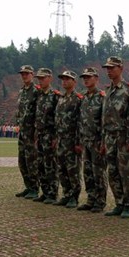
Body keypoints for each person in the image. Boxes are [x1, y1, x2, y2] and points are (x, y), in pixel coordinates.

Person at [101, 56, 129, 218]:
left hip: (123, 137)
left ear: (121, 69)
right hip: (109, 137)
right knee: (113, 171)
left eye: (112, 68)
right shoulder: (107, 90)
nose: (109, 71)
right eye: (107, 68)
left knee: (126, 172)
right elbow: (105, 117)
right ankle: (119, 202)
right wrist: (103, 140)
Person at [77, 67, 108, 213]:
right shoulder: (83, 97)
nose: (86, 79)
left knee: (98, 172)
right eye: (84, 77)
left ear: (96, 78)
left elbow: (104, 121)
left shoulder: (101, 97)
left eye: (89, 77)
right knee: (88, 172)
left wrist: (103, 142)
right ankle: (91, 199)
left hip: (97, 141)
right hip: (86, 140)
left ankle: (100, 201)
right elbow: (81, 120)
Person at [53, 70, 83, 208]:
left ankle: (74, 197)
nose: (64, 81)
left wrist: (78, 142)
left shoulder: (78, 99)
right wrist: (55, 137)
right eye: (63, 79)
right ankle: (66, 194)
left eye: (67, 79)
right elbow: (57, 119)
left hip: (72, 140)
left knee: (73, 170)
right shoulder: (61, 98)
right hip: (61, 139)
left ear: (74, 82)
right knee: (62, 169)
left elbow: (80, 122)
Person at [33, 68, 61, 203]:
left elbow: (58, 117)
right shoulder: (39, 95)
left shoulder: (55, 96)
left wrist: (55, 136)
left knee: (50, 164)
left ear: (50, 78)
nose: (40, 81)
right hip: (40, 134)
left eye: (43, 78)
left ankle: (52, 193)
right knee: (40, 164)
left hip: (50, 135)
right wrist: (36, 134)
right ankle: (45, 191)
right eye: (39, 78)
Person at [15, 65, 40, 199]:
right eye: (22, 74)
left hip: (31, 132)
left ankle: (35, 188)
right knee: (22, 161)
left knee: (32, 161)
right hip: (22, 132)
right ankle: (28, 186)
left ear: (32, 74)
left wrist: (36, 131)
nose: (24, 76)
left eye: (26, 73)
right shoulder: (22, 91)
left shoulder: (36, 91)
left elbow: (38, 111)